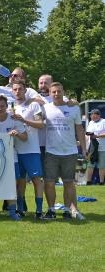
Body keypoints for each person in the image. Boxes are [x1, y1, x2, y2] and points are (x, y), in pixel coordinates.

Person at [43, 82, 86, 220]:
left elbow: (79, 129)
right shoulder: (45, 108)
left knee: (68, 182)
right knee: (49, 182)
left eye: (59, 91)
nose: (56, 94)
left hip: (69, 151)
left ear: (63, 92)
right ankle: (51, 210)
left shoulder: (74, 108)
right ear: (50, 93)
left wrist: (84, 149)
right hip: (51, 152)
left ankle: (67, 210)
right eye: (53, 92)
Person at [10, 80, 45, 219]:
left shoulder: (33, 105)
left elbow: (41, 124)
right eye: (15, 89)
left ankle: (39, 210)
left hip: (31, 150)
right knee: (20, 181)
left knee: (37, 180)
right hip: (16, 150)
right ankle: (20, 209)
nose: (17, 91)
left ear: (25, 90)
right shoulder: (10, 107)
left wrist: (24, 120)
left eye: (20, 89)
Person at [85, 109, 105, 184]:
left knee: (101, 165)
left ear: (97, 115)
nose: (91, 116)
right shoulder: (90, 122)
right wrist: (86, 147)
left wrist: (97, 136)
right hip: (92, 148)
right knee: (90, 165)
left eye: (92, 114)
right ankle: (88, 182)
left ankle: (101, 182)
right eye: (90, 115)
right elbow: (87, 134)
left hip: (102, 148)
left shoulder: (104, 121)